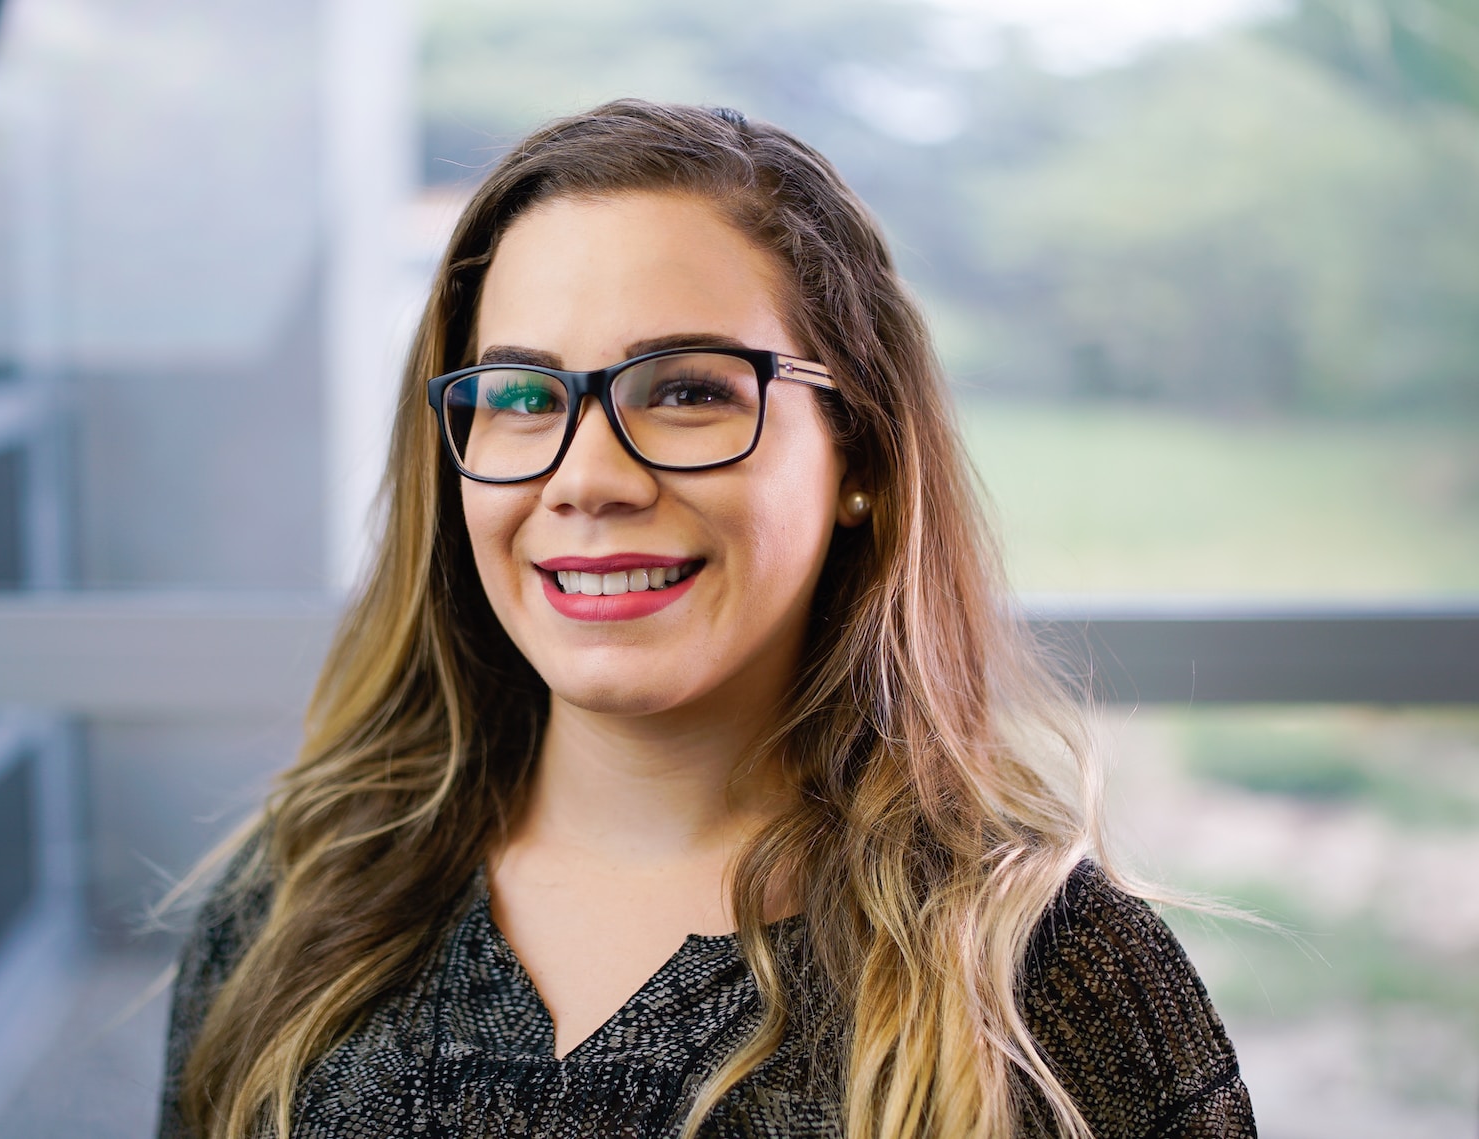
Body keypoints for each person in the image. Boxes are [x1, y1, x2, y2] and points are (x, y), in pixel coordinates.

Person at [157, 99, 1256, 1139]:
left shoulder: (1053, 982)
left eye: (685, 389)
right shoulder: (297, 903)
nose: (585, 480)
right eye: (523, 397)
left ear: (858, 455)